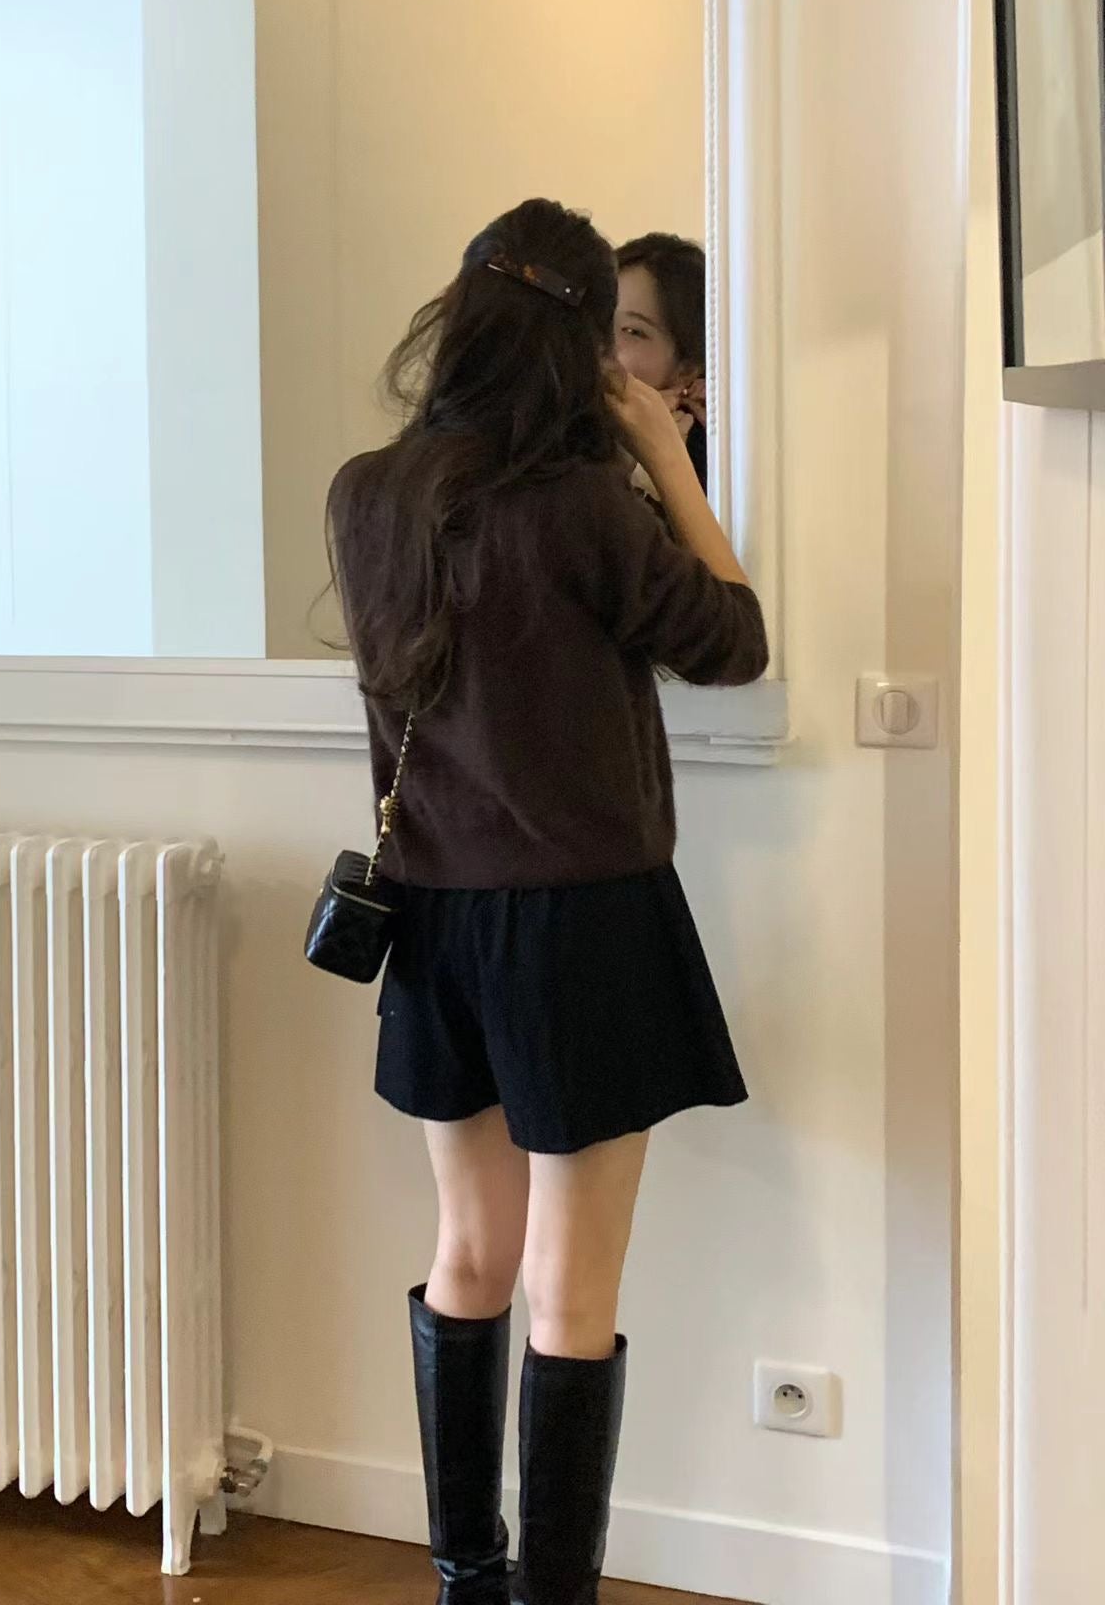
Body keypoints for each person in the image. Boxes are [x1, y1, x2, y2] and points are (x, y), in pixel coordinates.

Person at [327, 198, 768, 1605]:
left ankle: (469, 1580)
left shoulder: (368, 495)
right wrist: (663, 454)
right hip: (582, 926)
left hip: (435, 925)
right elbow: (735, 641)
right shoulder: (585, 508)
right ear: (584, 350)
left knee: (470, 1255)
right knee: (570, 1290)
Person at [614, 231, 709, 491]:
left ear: (686, 370)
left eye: (633, 331)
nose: (602, 344)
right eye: (600, 318)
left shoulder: (716, 471)